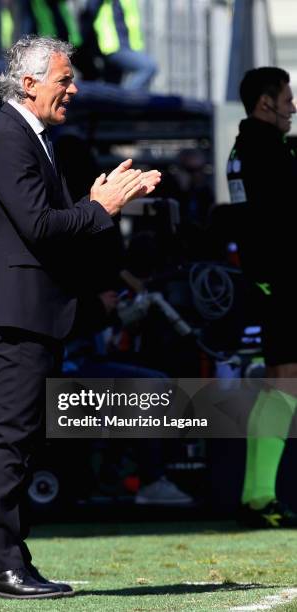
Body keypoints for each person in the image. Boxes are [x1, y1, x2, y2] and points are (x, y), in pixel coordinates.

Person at [0, 35, 161, 599]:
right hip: (19, 317)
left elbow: (53, 228)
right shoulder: (9, 139)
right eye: (64, 80)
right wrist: (99, 207)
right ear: (29, 84)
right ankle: (0, 569)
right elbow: (43, 228)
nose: (73, 89)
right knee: (10, 441)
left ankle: (13, 563)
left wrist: (97, 206)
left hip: (37, 315)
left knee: (23, 443)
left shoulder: (32, 140)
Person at [227, 67, 297, 528]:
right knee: (284, 383)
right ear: (266, 103)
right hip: (285, 281)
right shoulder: (266, 150)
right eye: (287, 99)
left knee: (280, 383)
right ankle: (257, 497)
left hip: (270, 281)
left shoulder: (244, 148)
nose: (293, 107)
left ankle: (258, 497)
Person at [82, 0, 157, 89]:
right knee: (148, 67)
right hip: (112, 45)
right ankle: (127, 100)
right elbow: (88, 13)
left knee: (112, 88)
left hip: (126, 46)